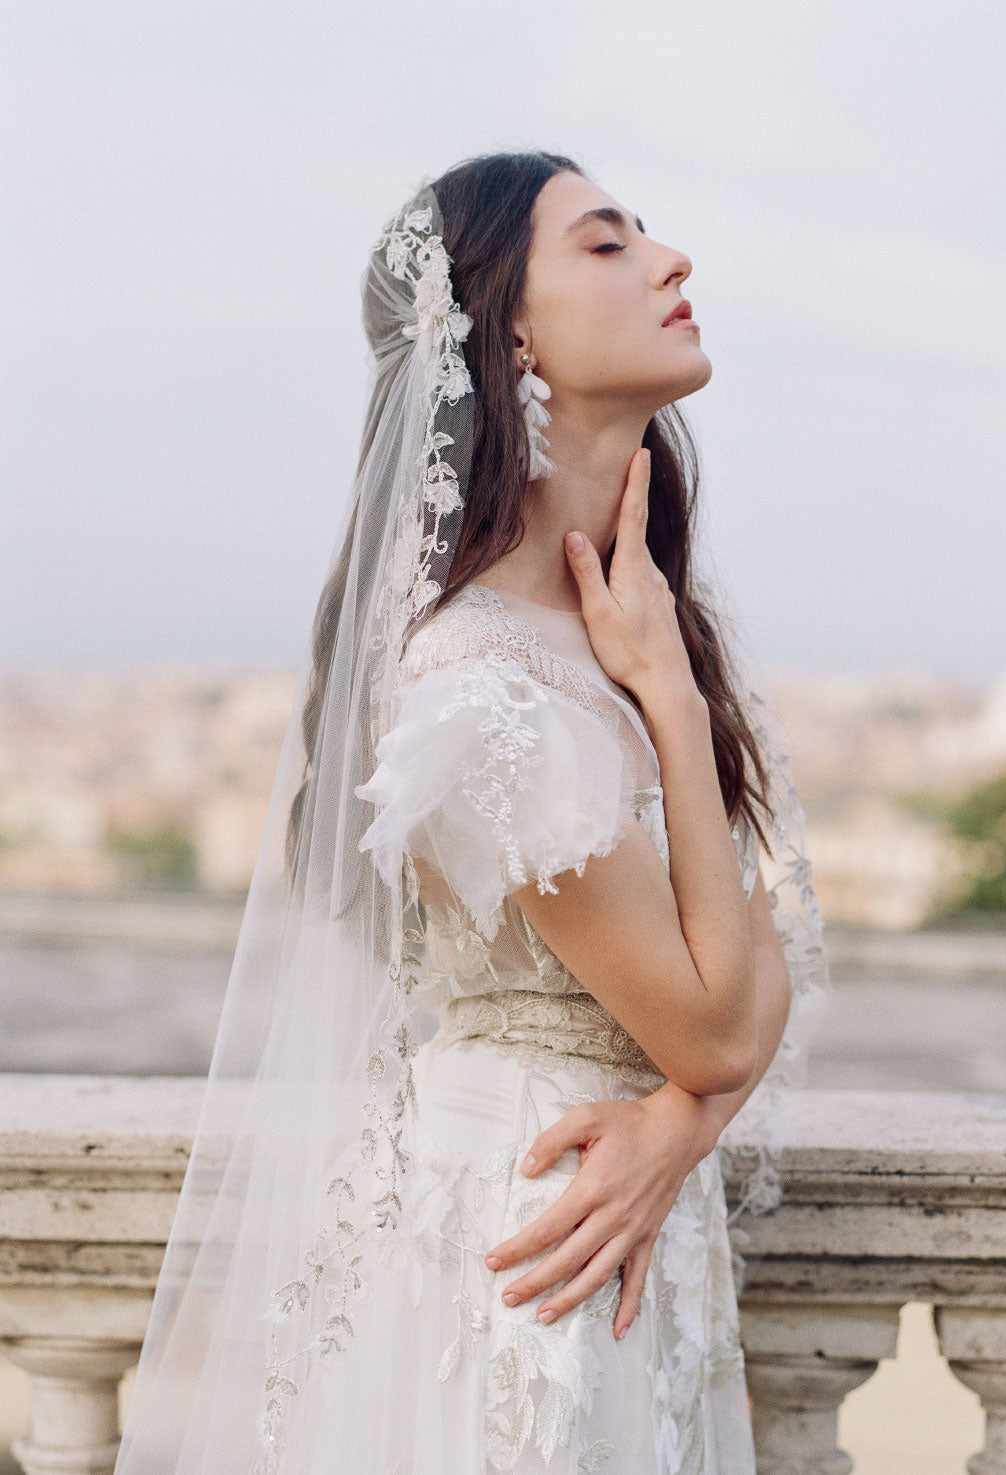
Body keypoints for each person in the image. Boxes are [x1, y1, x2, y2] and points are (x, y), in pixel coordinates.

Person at [113, 150, 828, 1475]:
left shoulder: (620, 616)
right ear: (509, 329)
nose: (673, 263)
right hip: (534, 1237)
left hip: (620, 1215)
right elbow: (724, 1022)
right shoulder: (474, 693)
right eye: (608, 245)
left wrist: (679, 1118)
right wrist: (668, 702)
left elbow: (757, 954)